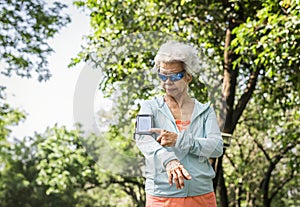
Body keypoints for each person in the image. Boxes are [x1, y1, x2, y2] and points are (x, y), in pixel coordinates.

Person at [134, 40, 223, 207]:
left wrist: (179, 140)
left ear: (188, 76)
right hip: (161, 197)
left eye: (174, 76)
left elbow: (216, 147)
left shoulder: (205, 111)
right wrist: (168, 160)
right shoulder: (148, 107)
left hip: (201, 195)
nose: (167, 82)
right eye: (162, 75)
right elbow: (142, 139)